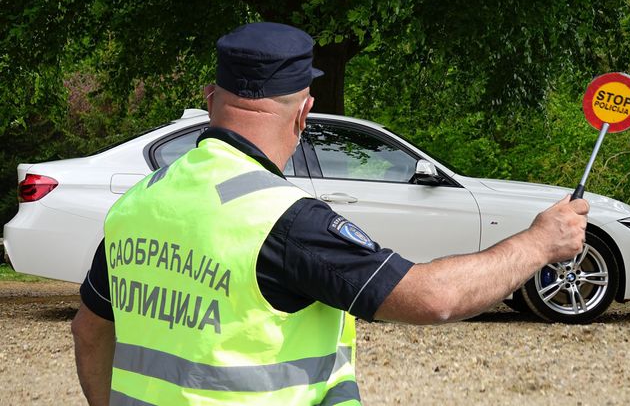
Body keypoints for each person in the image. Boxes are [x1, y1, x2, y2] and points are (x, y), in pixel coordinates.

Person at [71, 22, 589, 406]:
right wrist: (539, 243)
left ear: (211, 99)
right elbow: (434, 299)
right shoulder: (284, 218)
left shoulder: (139, 202)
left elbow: (90, 331)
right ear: (303, 112)